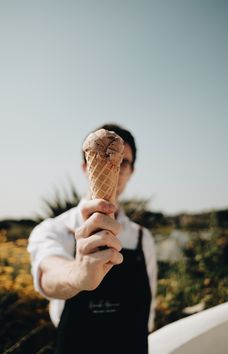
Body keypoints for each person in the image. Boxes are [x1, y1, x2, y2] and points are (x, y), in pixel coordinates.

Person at [27, 123, 157, 354]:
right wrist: (77, 275)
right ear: (85, 166)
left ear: (131, 171)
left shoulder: (142, 237)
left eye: (122, 162)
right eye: (101, 157)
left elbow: (148, 307)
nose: (112, 166)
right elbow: (48, 274)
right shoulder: (55, 229)